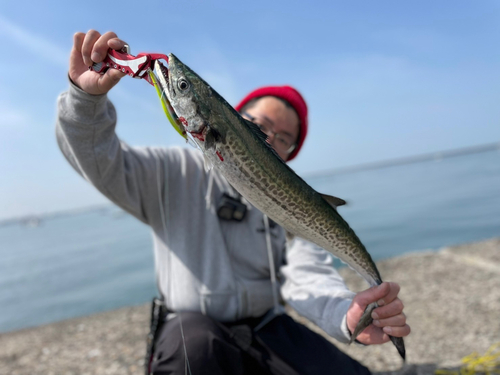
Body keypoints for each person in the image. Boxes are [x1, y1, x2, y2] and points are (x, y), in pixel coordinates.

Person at [56, 30, 410, 375]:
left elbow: (308, 275)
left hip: (267, 327)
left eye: (284, 137)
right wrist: (85, 102)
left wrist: (344, 314)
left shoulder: (287, 197)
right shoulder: (172, 170)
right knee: (196, 348)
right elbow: (99, 160)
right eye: (259, 123)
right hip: (193, 333)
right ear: (233, 117)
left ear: (288, 152)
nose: (269, 136)